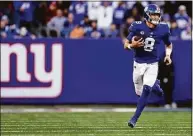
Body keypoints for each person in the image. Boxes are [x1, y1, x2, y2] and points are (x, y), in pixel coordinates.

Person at [124, 4, 173, 128]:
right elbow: (126, 44)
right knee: (139, 92)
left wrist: (167, 55)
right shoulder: (137, 26)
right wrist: (132, 45)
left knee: (146, 90)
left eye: (157, 15)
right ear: (147, 15)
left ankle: (134, 119)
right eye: (153, 15)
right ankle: (156, 86)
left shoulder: (163, 28)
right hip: (138, 63)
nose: (156, 17)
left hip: (152, 64)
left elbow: (168, 44)